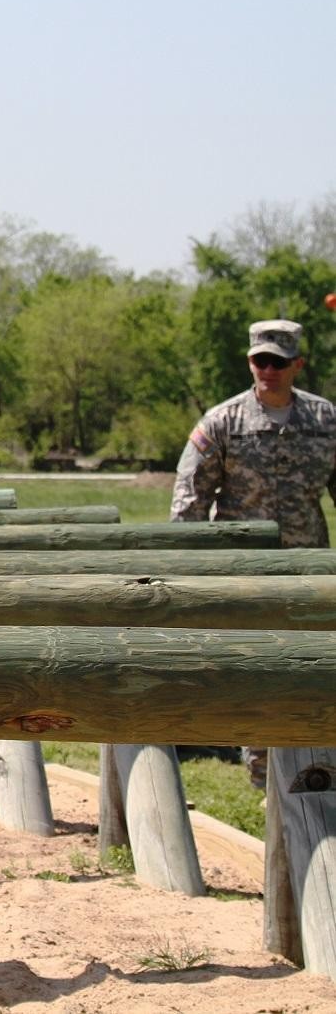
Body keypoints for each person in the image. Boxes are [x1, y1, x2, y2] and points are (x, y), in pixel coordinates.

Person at [171, 318, 336, 789]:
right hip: (244, 576)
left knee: (311, 671)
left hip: (308, 573)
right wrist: (192, 575)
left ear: (297, 365)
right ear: (250, 362)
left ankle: (313, 769)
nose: (269, 370)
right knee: (257, 671)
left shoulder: (326, 421)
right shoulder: (223, 423)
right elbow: (189, 501)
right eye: (261, 361)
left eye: (279, 363)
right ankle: (265, 781)